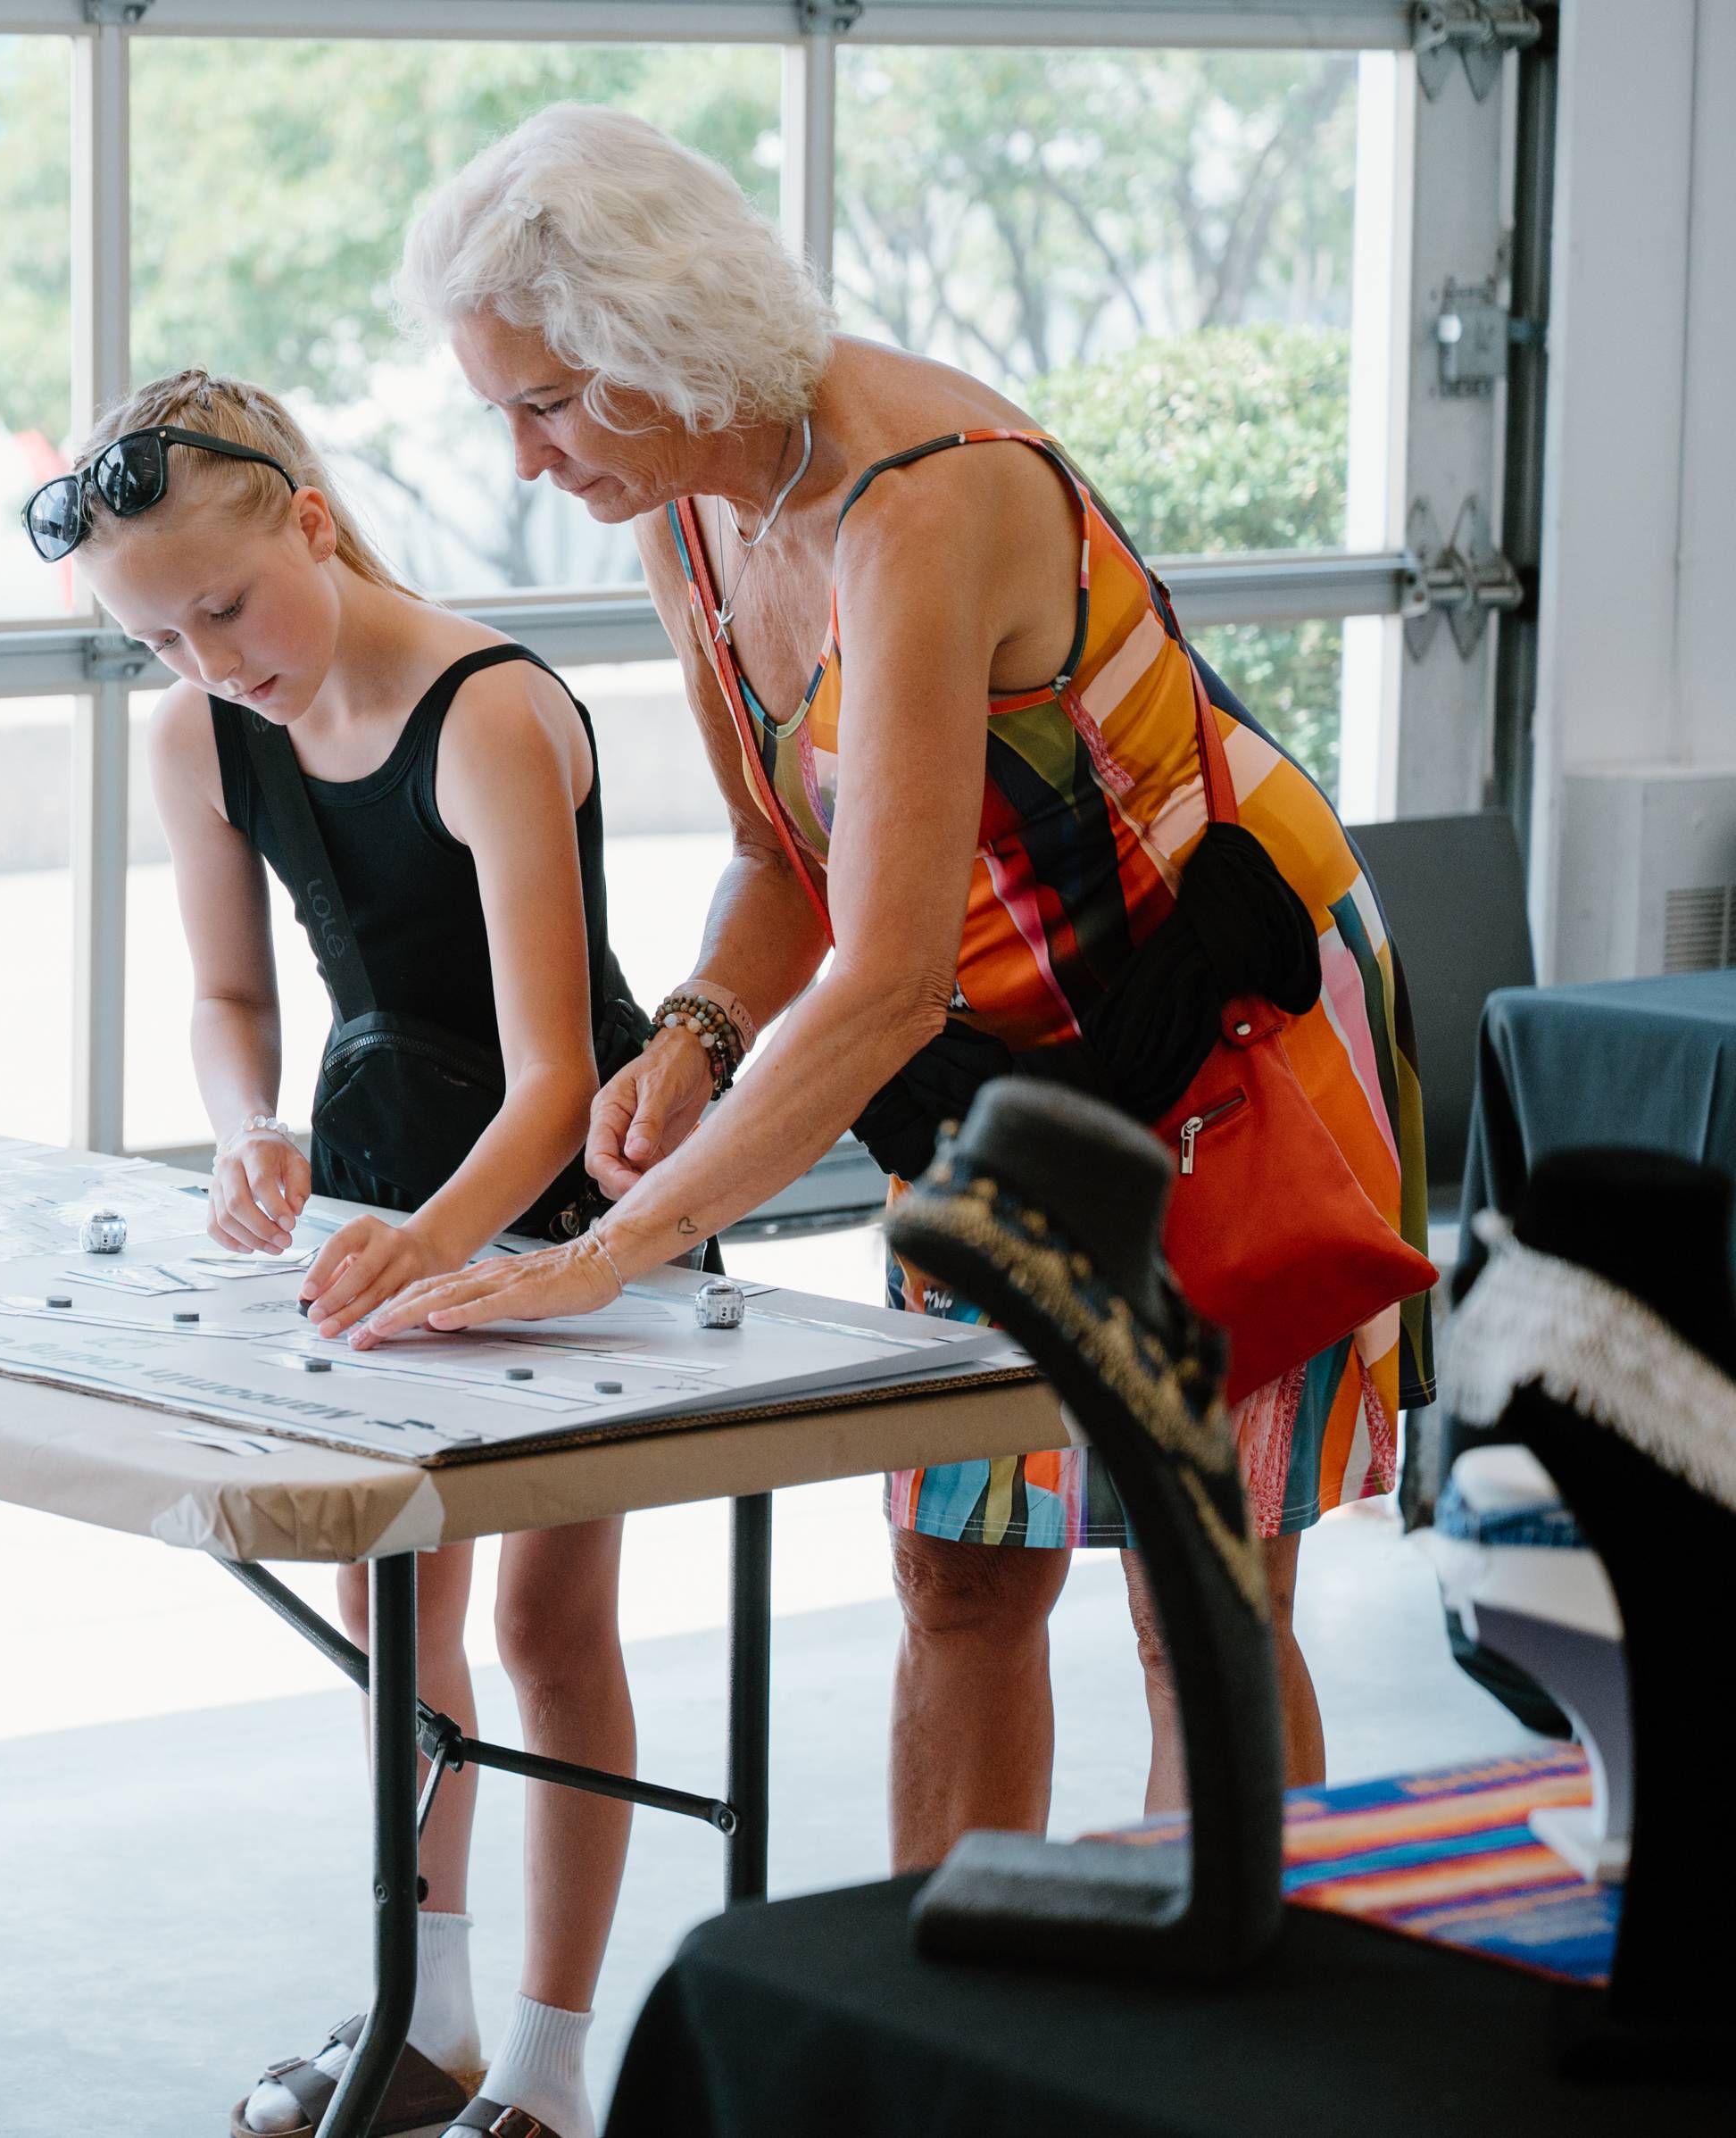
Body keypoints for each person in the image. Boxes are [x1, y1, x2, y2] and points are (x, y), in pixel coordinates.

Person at [363, 106, 1435, 1878]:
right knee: (958, 1564)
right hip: (995, 1074)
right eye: (505, 410)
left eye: (546, 401)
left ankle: (1245, 2033)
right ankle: (948, 2026)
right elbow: (788, 857)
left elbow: (881, 979)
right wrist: (701, 1027)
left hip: (1221, 1038)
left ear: (660, 340)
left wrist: (601, 1254)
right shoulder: (692, 507)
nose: (530, 456)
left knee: (1202, 1588)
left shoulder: (919, 503)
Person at [27, 370, 653, 2138]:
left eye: (223, 610)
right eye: (159, 640)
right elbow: (231, 999)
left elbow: (559, 1080)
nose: (211, 665)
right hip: (377, 1182)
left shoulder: (493, 714)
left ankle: (548, 2059)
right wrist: (250, 1139)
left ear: (310, 516)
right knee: (393, 1607)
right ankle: (424, 2017)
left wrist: (437, 1255)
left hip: (574, 1202)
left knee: (548, 1620)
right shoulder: (198, 736)